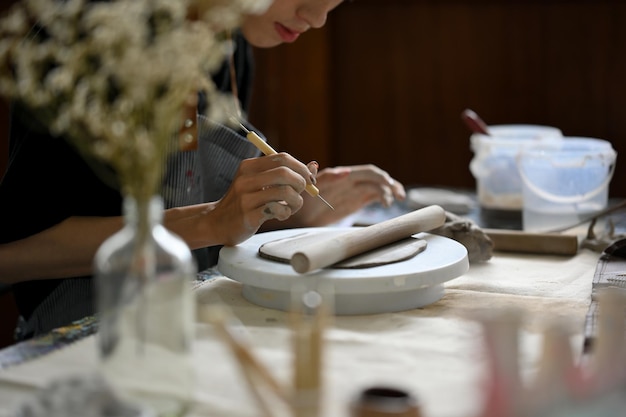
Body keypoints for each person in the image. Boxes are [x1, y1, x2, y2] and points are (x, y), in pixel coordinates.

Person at [0, 0, 406, 340]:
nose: (318, 17)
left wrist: (288, 213)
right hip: (84, 344)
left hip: (191, 320)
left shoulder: (230, 43)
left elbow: (209, 209)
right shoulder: (98, 40)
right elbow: (12, 257)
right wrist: (211, 222)